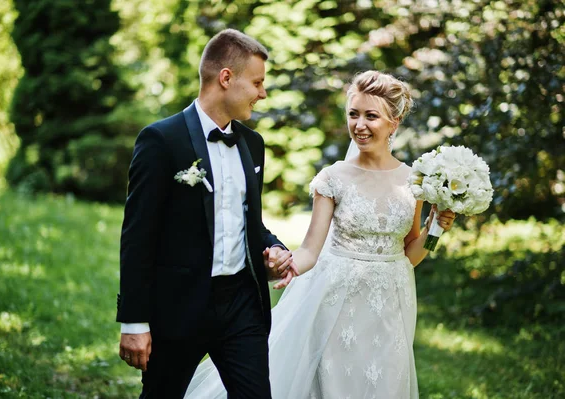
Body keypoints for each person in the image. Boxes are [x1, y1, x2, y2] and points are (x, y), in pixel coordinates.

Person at [184, 70, 456, 398]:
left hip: (390, 304)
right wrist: (288, 266)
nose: (359, 125)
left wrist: (434, 229)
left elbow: (408, 253)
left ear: (394, 121)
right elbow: (311, 249)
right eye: (353, 114)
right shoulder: (333, 178)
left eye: (371, 116)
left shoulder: (412, 181)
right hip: (337, 301)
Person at [116, 28, 297, 399]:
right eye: (258, 83)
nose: (263, 93)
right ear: (226, 78)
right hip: (179, 306)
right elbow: (138, 236)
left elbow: (250, 223)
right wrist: (134, 322)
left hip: (242, 305)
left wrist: (273, 249)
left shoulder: (253, 144)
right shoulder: (161, 141)